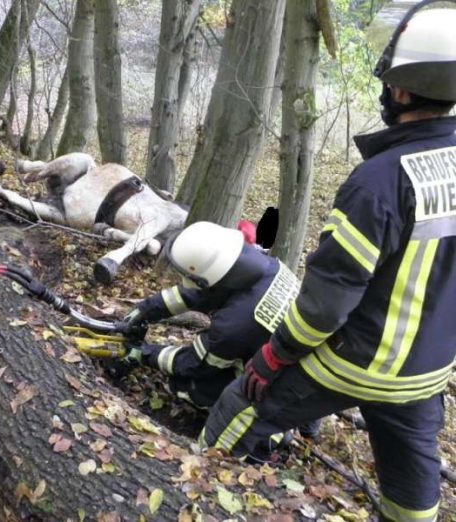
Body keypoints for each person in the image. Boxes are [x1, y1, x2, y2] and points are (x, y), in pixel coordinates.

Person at [198, 5, 456, 521]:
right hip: (427, 373)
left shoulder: (379, 182)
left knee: (238, 407)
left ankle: (191, 486)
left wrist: (273, 357)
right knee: (413, 487)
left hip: (355, 361)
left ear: (401, 91)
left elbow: (326, 303)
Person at [115, 221, 321, 441]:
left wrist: (145, 354)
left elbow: (195, 364)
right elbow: (197, 293)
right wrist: (144, 311)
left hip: (284, 391)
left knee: (189, 385)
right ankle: (304, 425)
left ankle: (272, 436)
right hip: (305, 372)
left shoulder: (233, 326)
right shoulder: (263, 266)